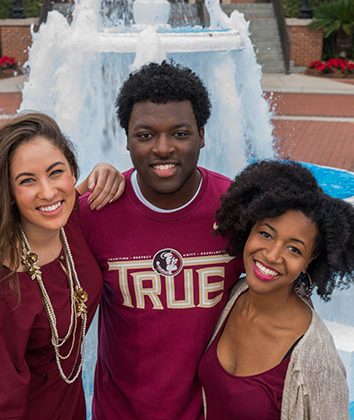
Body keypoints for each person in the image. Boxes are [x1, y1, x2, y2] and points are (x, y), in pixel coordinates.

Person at [78, 61, 243, 420]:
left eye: (180, 134)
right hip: (119, 413)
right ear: (126, 139)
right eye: (146, 134)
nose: (163, 148)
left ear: (202, 134)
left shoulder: (236, 209)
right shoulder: (96, 210)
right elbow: (31, 265)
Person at [0, 112, 125, 420]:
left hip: (67, 406)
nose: (48, 192)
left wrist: (107, 171)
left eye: (56, 172)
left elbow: (69, 196)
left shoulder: (69, 224)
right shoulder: (2, 288)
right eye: (27, 181)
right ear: (9, 194)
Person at [198, 159, 354, 420]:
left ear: (309, 260)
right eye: (266, 234)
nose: (272, 255)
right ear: (249, 229)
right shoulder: (232, 296)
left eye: (294, 249)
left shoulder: (316, 360)